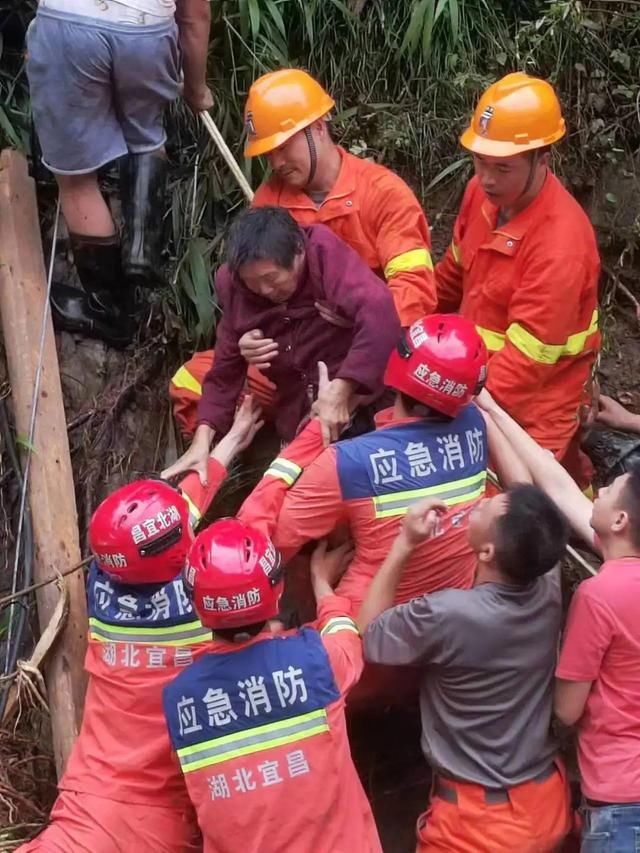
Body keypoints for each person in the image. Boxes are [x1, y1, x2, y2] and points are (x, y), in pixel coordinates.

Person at [17, 399, 261, 853]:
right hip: (160, 817)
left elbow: (172, 516)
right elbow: (206, 529)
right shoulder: (205, 607)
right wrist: (236, 442)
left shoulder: (105, 580)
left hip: (87, 802)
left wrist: (226, 445)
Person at [170, 67, 436, 428]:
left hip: (364, 346)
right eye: (269, 154)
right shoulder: (270, 200)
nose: (277, 163)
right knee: (192, 384)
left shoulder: (383, 193)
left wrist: (364, 326)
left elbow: (413, 291)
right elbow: (253, 289)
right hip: (291, 354)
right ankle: (235, 469)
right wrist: (247, 339)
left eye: (283, 148)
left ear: (319, 127)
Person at [242, 314, 488, 702]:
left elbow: (265, 547)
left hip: (360, 654)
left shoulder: (350, 462)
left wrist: (313, 431)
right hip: (440, 640)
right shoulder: (475, 425)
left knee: (302, 554)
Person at [360, 483, 572, 851]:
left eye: (482, 509)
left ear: (487, 551)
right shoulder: (547, 587)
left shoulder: (449, 614)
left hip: (478, 827)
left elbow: (369, 634)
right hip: (548, 804)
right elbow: (538, 509)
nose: (478, 504)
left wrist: (404, 543)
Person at [476, 390, 640, 853]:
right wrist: (489, 407)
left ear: (621, 520)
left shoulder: (601, 594)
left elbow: (567, 710)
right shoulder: (624, 563)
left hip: (624, 803)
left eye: (608, 490)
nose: (598, 489)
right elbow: (554, 481)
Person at [162, 519, 382, 853]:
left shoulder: (179, 700)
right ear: (277, 590)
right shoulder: (318, 660)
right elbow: (347, 634)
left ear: (195, 605)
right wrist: (321, 583)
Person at [435, 71, 600, 489]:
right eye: (480, 162)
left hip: (535, 403)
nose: (487, 178)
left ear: (542, 159)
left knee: (497, 515)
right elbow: (451, 276)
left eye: (502, 168)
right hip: (475, 380)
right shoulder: (481, 194)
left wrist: (447, 403)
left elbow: (527, 364)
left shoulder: (561, 244)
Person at [163, 205, 400, 483]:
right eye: (253, 282)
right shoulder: (234, 284)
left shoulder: (323, 254)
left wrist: (343, 389)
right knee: (289, 490)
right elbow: (225, 370)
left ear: (299, 253)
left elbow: (380, 313)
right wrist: (203, 439)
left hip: (359, 398)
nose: (264, 291)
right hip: (296, 407)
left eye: (271, 279)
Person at [26, 0, 213, 348]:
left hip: (71, 25)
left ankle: (110, 311)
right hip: (147, 31)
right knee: (146, 136)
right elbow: (195, 14)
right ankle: (142, 252)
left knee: (77, 180)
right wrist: (196, 89)